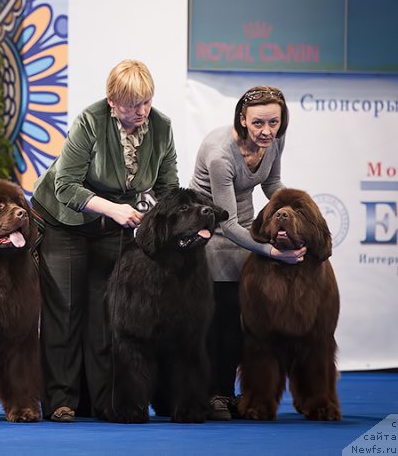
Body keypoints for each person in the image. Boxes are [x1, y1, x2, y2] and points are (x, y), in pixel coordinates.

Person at [31, 59, 179, 422]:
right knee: (64, 313)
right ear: (112, 102)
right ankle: (61, 401)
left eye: (145, 101)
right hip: (64, 221)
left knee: (104, 314)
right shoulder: (89, 121)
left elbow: (168, 187)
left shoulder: (162, 126)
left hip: (113, 225)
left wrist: (160, 221)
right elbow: (66, 186)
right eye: (131, 104)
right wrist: (113, 209)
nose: (141, 111)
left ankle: (103, 401)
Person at [189, 85, 306, 421]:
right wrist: (271, 250)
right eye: (258, 123)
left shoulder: (274, 140)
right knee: (223, 319)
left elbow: (273, 183)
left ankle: (239, 392)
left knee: (247, 320)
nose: (266, 131)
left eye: (274, 123)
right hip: (211, 234)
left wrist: (295, 210)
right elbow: (226, 224)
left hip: (248, 231)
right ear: (242, 119)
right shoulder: (220, 155)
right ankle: (215, 394)